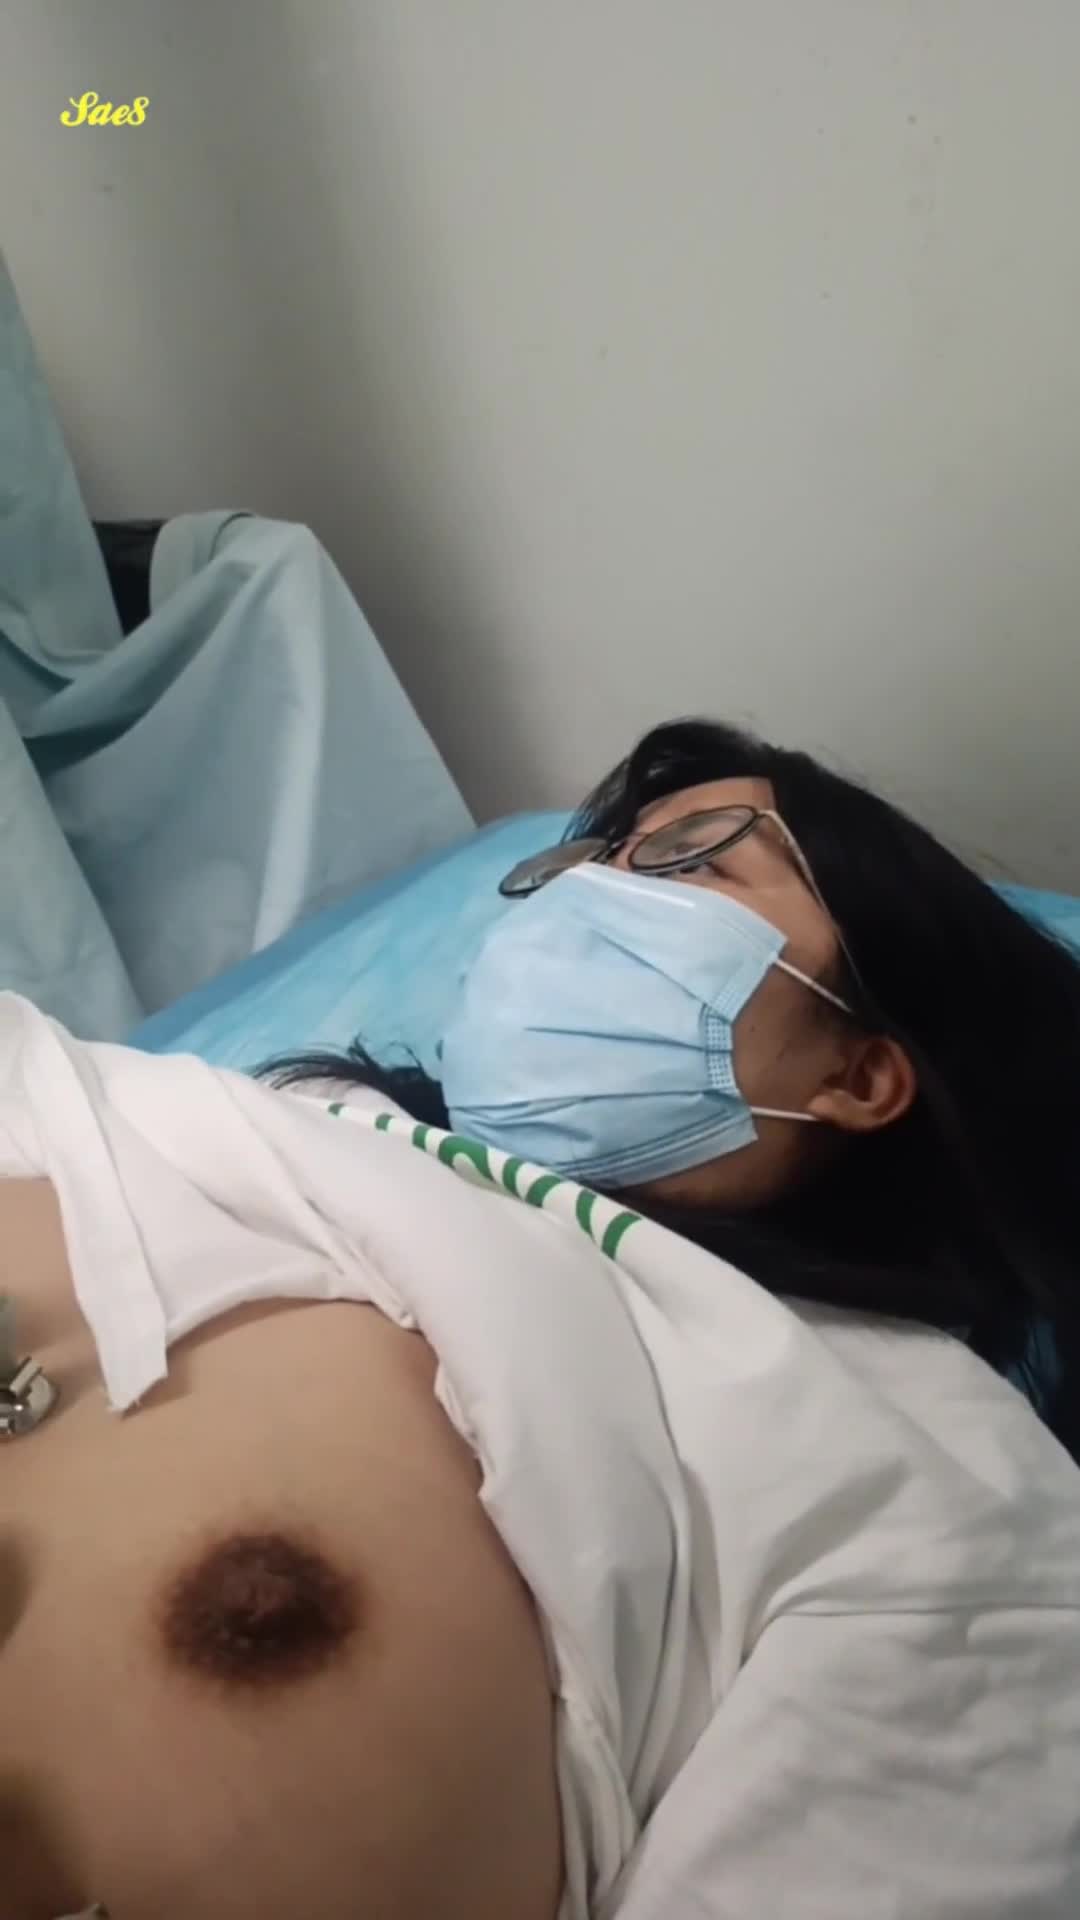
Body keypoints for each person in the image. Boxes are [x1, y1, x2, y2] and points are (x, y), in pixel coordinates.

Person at [3, 716, 1080, 1920]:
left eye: (695, 858)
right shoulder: (276, 1111)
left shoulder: (923, 1477)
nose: (595, 894)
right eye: (591, 860)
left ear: (859, 1074)